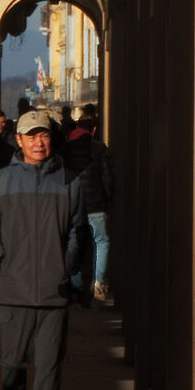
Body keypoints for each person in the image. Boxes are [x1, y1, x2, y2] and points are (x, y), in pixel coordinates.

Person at [0, 106, 86, 390]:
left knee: (49, 369)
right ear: (18, 140)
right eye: (32, 136)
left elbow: (77, 232)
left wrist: (66, 266)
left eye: (45, 135)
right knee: (12, 369)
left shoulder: (70, 182)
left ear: (53, 139)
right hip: (13, 290)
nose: (39, 142)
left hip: (54, 292)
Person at [66, 106, 115, 306]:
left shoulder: (66, 150)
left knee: (75, 245)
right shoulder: (100, 149)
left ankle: (76, 285)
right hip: (96, 205)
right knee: (101, 242)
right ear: (93, 130)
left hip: (73, 205)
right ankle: (98, 282)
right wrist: (107, 198)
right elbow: (108, 178)